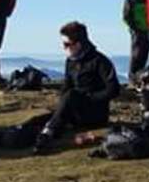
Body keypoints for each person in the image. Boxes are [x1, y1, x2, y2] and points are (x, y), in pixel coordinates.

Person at [33, 22, 121, 154]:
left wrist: (89, 98)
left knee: (71, 95)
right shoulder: (70, 61)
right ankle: (14, 135)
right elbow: (66, 85)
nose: (64, 48)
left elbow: (114, 89)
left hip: (95, 115)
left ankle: (47, 136)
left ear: (78, 44)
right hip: (76, 110)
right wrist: (62, 105)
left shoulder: (100, 61)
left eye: (66, 44)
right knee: (43, 119)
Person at [122, 0, 149, 78]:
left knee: (145, 54)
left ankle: (139, 77)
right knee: (136, 54)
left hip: (148, 30)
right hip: (137, 31)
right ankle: (132, 77)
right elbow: (126, 16)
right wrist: (134, 28)